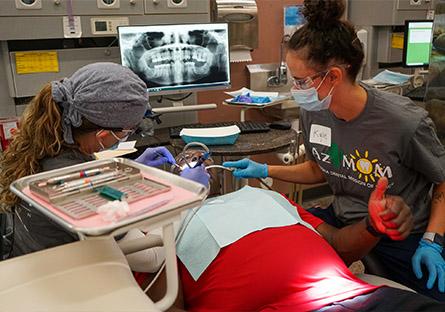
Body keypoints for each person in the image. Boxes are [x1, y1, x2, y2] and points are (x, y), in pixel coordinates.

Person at [223, 0, 445, 301]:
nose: (295, 89)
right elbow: (321, 168)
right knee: (276, 262)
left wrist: (432, 240)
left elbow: (441, 179)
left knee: (431, 298)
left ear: (335, 76)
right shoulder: (315, 110)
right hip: (343, 217)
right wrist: (264, 170)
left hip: (400, 230)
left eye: (300, 80)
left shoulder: (404, 122)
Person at [0, 62, 209, 258]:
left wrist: (132, 172)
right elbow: (152, 258)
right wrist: (188, 197)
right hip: (62, 277)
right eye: (130, 130)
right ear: (101, 134)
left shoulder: (49, 144)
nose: (131, 134)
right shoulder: (71, 178)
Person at [162, 178, 444, 311]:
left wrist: (373, 226)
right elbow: (162, 304)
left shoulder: (268, 198)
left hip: (357, 297)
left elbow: (338, 244)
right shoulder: (164, 226)